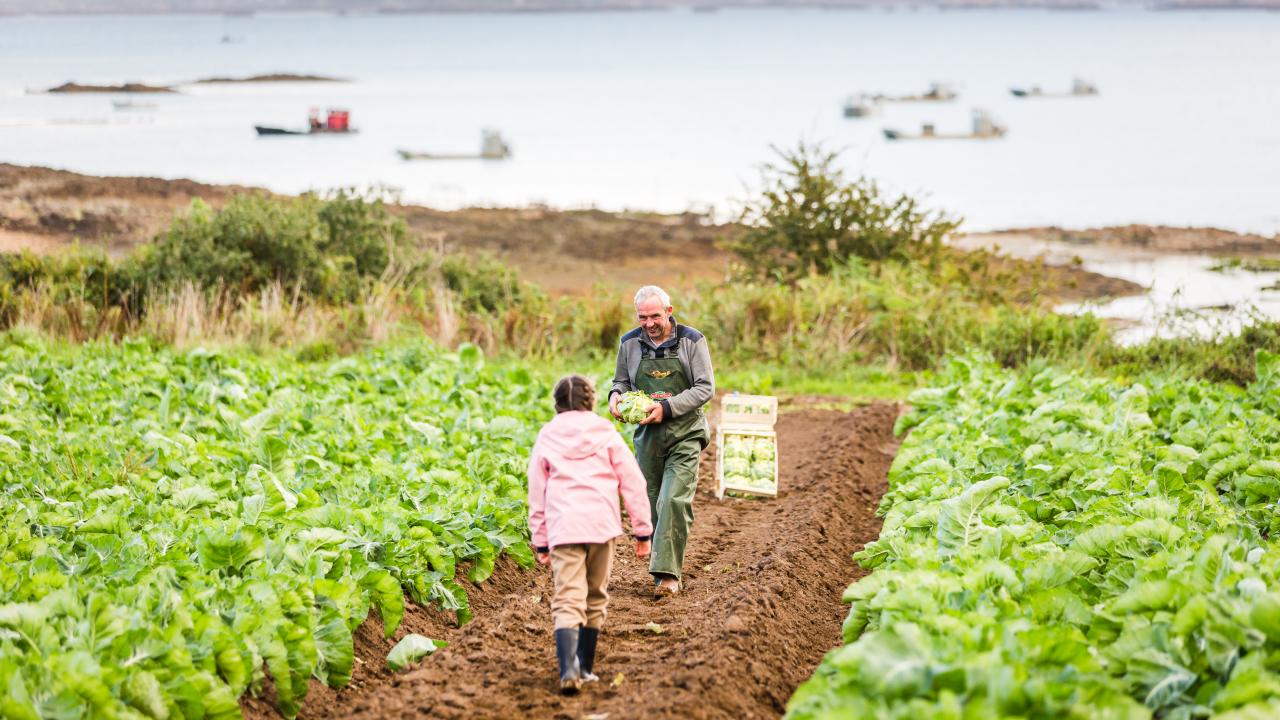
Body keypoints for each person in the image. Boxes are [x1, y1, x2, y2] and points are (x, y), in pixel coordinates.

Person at [528, 374, 653, 695]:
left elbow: (537, 491)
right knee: (595, 595)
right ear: (591, 401)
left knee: (568, 596)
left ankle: (567, 668)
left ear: (557, 403)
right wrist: (642, 532)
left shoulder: (547, 434)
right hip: (601, 526)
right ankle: (585, 667)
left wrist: (540, 539)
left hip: (563, 528)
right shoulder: (605, 431)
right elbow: (633, 482)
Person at [608, 285, 714, 598]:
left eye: (655, 315)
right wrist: (615, 399)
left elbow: (705, 388)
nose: (650, 322)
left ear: (669, 311)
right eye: (643, 317)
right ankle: (661, 563)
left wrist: (665, 407)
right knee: (650, 502)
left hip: (685, 432)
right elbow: (620, 382)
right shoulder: (629, 343)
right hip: (648, 437)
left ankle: (668, 575)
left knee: (673, 500)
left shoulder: (692, 340)